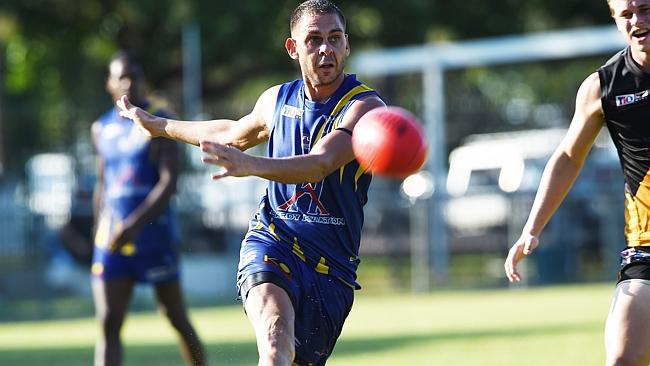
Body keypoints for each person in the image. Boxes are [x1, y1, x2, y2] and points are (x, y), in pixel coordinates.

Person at [117, 1, 385, 364]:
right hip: (273, 240)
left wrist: (250, 164)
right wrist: (160, 126)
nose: (326, 48)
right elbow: (231, 133)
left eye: (335, 38)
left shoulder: (365, 107)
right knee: (275, 342)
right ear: (293, 48)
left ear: (347, 45)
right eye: (314, 39)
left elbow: (321, 163)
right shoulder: (276, 100)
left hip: (331, 270)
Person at [504, 0, 650, 365]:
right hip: (646, 246)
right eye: (626, 14)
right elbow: (569, 156)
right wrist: (531, 228)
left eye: (645, 8)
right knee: (621, 357)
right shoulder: (604, 86)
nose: (637, 20)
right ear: (616, 21)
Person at [91, 51, 206, 366]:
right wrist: (97, 229)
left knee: (176, 317)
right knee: (109, 323)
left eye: (134, 75)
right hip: (111, 238)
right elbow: (104, 182)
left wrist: (134, 225)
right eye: (121, 77)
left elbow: (169, 183)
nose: (129, 82)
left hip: (154, 236)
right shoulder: (100, 128)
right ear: (109, 84)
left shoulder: (159, 119)